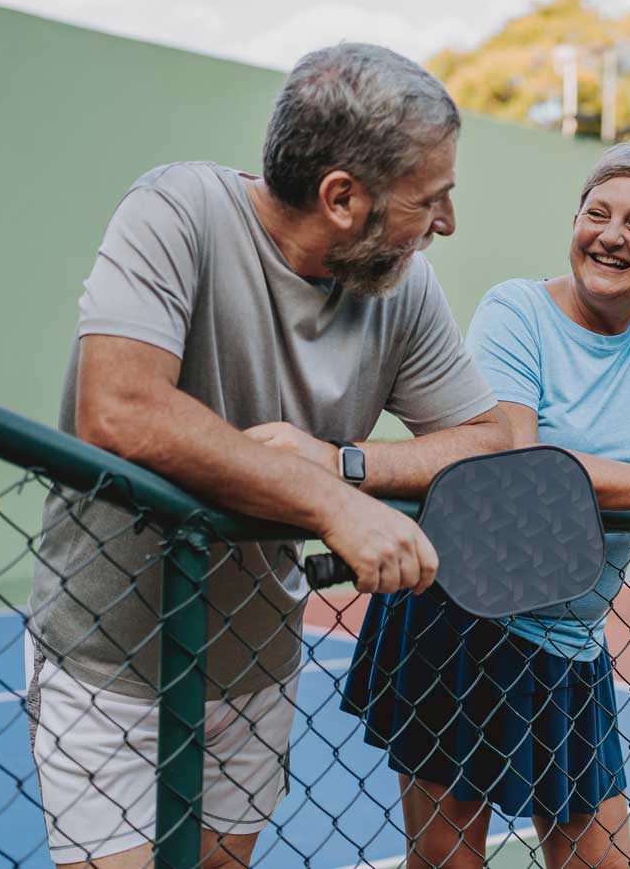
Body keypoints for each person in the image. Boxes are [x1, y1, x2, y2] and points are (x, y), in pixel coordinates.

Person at [26, 43, 511, 869]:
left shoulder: (405, 285)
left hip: (254, 662)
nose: (446, 223)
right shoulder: (177, 210)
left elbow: (493, 440)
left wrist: (340, 465)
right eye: (432, 199)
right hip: (108, 658)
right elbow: (119, 407)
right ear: (343, 198)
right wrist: (329, 506)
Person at [341, 143, 630, 869]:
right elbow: (518, 461)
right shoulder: (516, 312)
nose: (609, 234)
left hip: (571, 636)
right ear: (574, 223)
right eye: (596, 214)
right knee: (451, 860)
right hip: (466, 614)